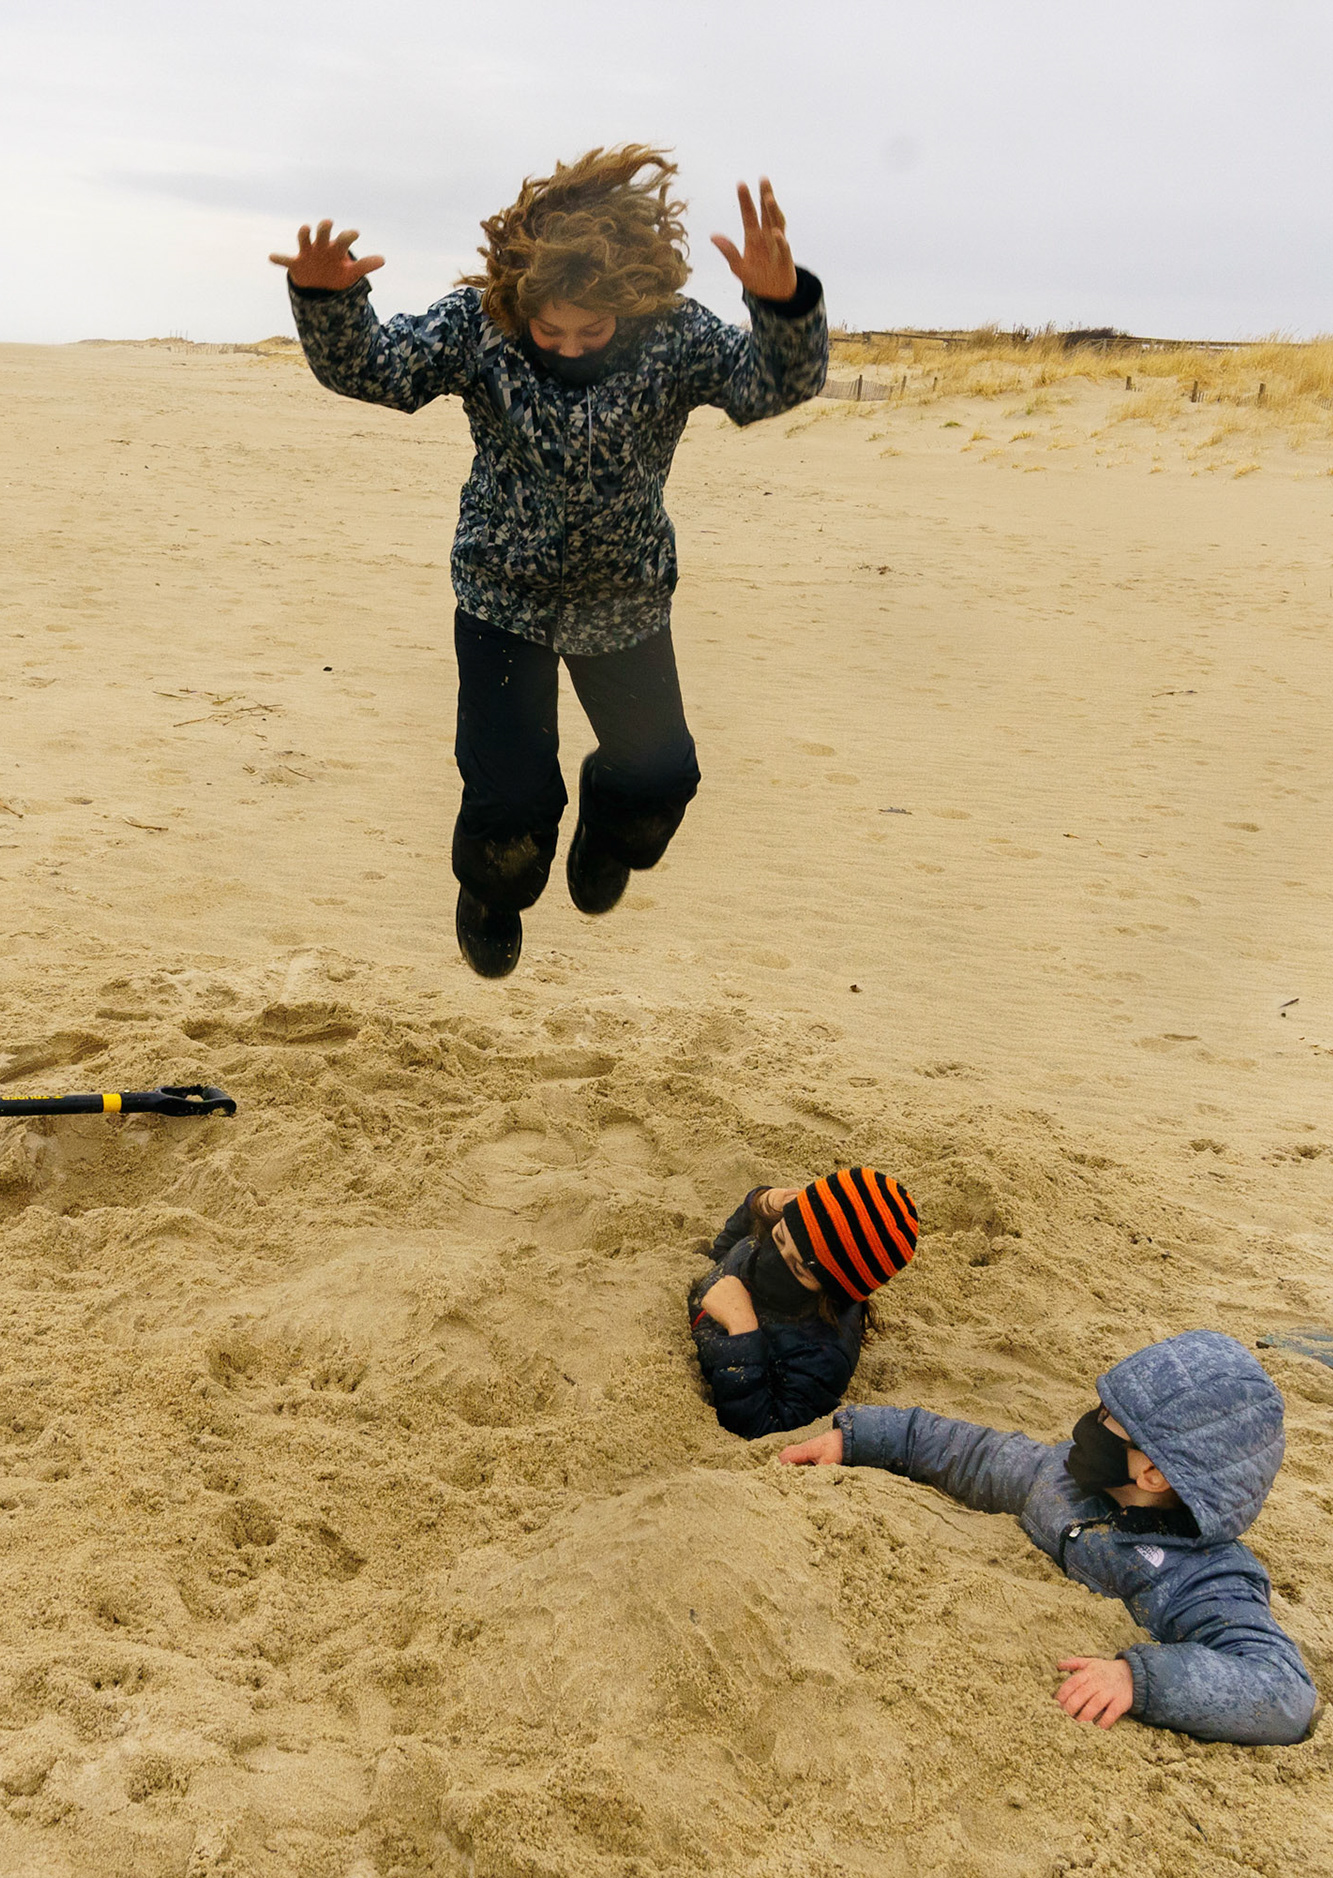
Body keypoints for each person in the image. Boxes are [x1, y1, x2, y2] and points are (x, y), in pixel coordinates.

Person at [271, 146, 830, 977]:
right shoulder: (478, 329)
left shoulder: (673, 338)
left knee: (658, 783)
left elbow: (776, 386)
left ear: (629, 305)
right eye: (550, 329)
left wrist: (781, 304)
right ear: (520, 300)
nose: (569, 347)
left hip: (626, 602)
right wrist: (327, 297)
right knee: (510, 811)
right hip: (502, 601)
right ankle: (493, 893)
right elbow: (373, 368)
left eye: (592, 331)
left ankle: (610, 823)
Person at [780, 1330, 1318, 1744]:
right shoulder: (1064, 1478)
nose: (1088, 1424)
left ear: (1152, 1475)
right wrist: (860, 1440)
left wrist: (1142, 1679)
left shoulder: (1205, 1579)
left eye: (1109, 1420)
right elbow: (973, 1453)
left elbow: (1284, 1692)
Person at [690, 1169, 918, 1439]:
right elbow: (724, 1249)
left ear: (833, 1292)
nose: (774, 1258)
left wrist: (742, 1332)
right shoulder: (768, 1235)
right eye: (780, 1237)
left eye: (799, 1268)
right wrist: (759, 1201)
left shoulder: (822, 1355)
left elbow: (763, 1428)